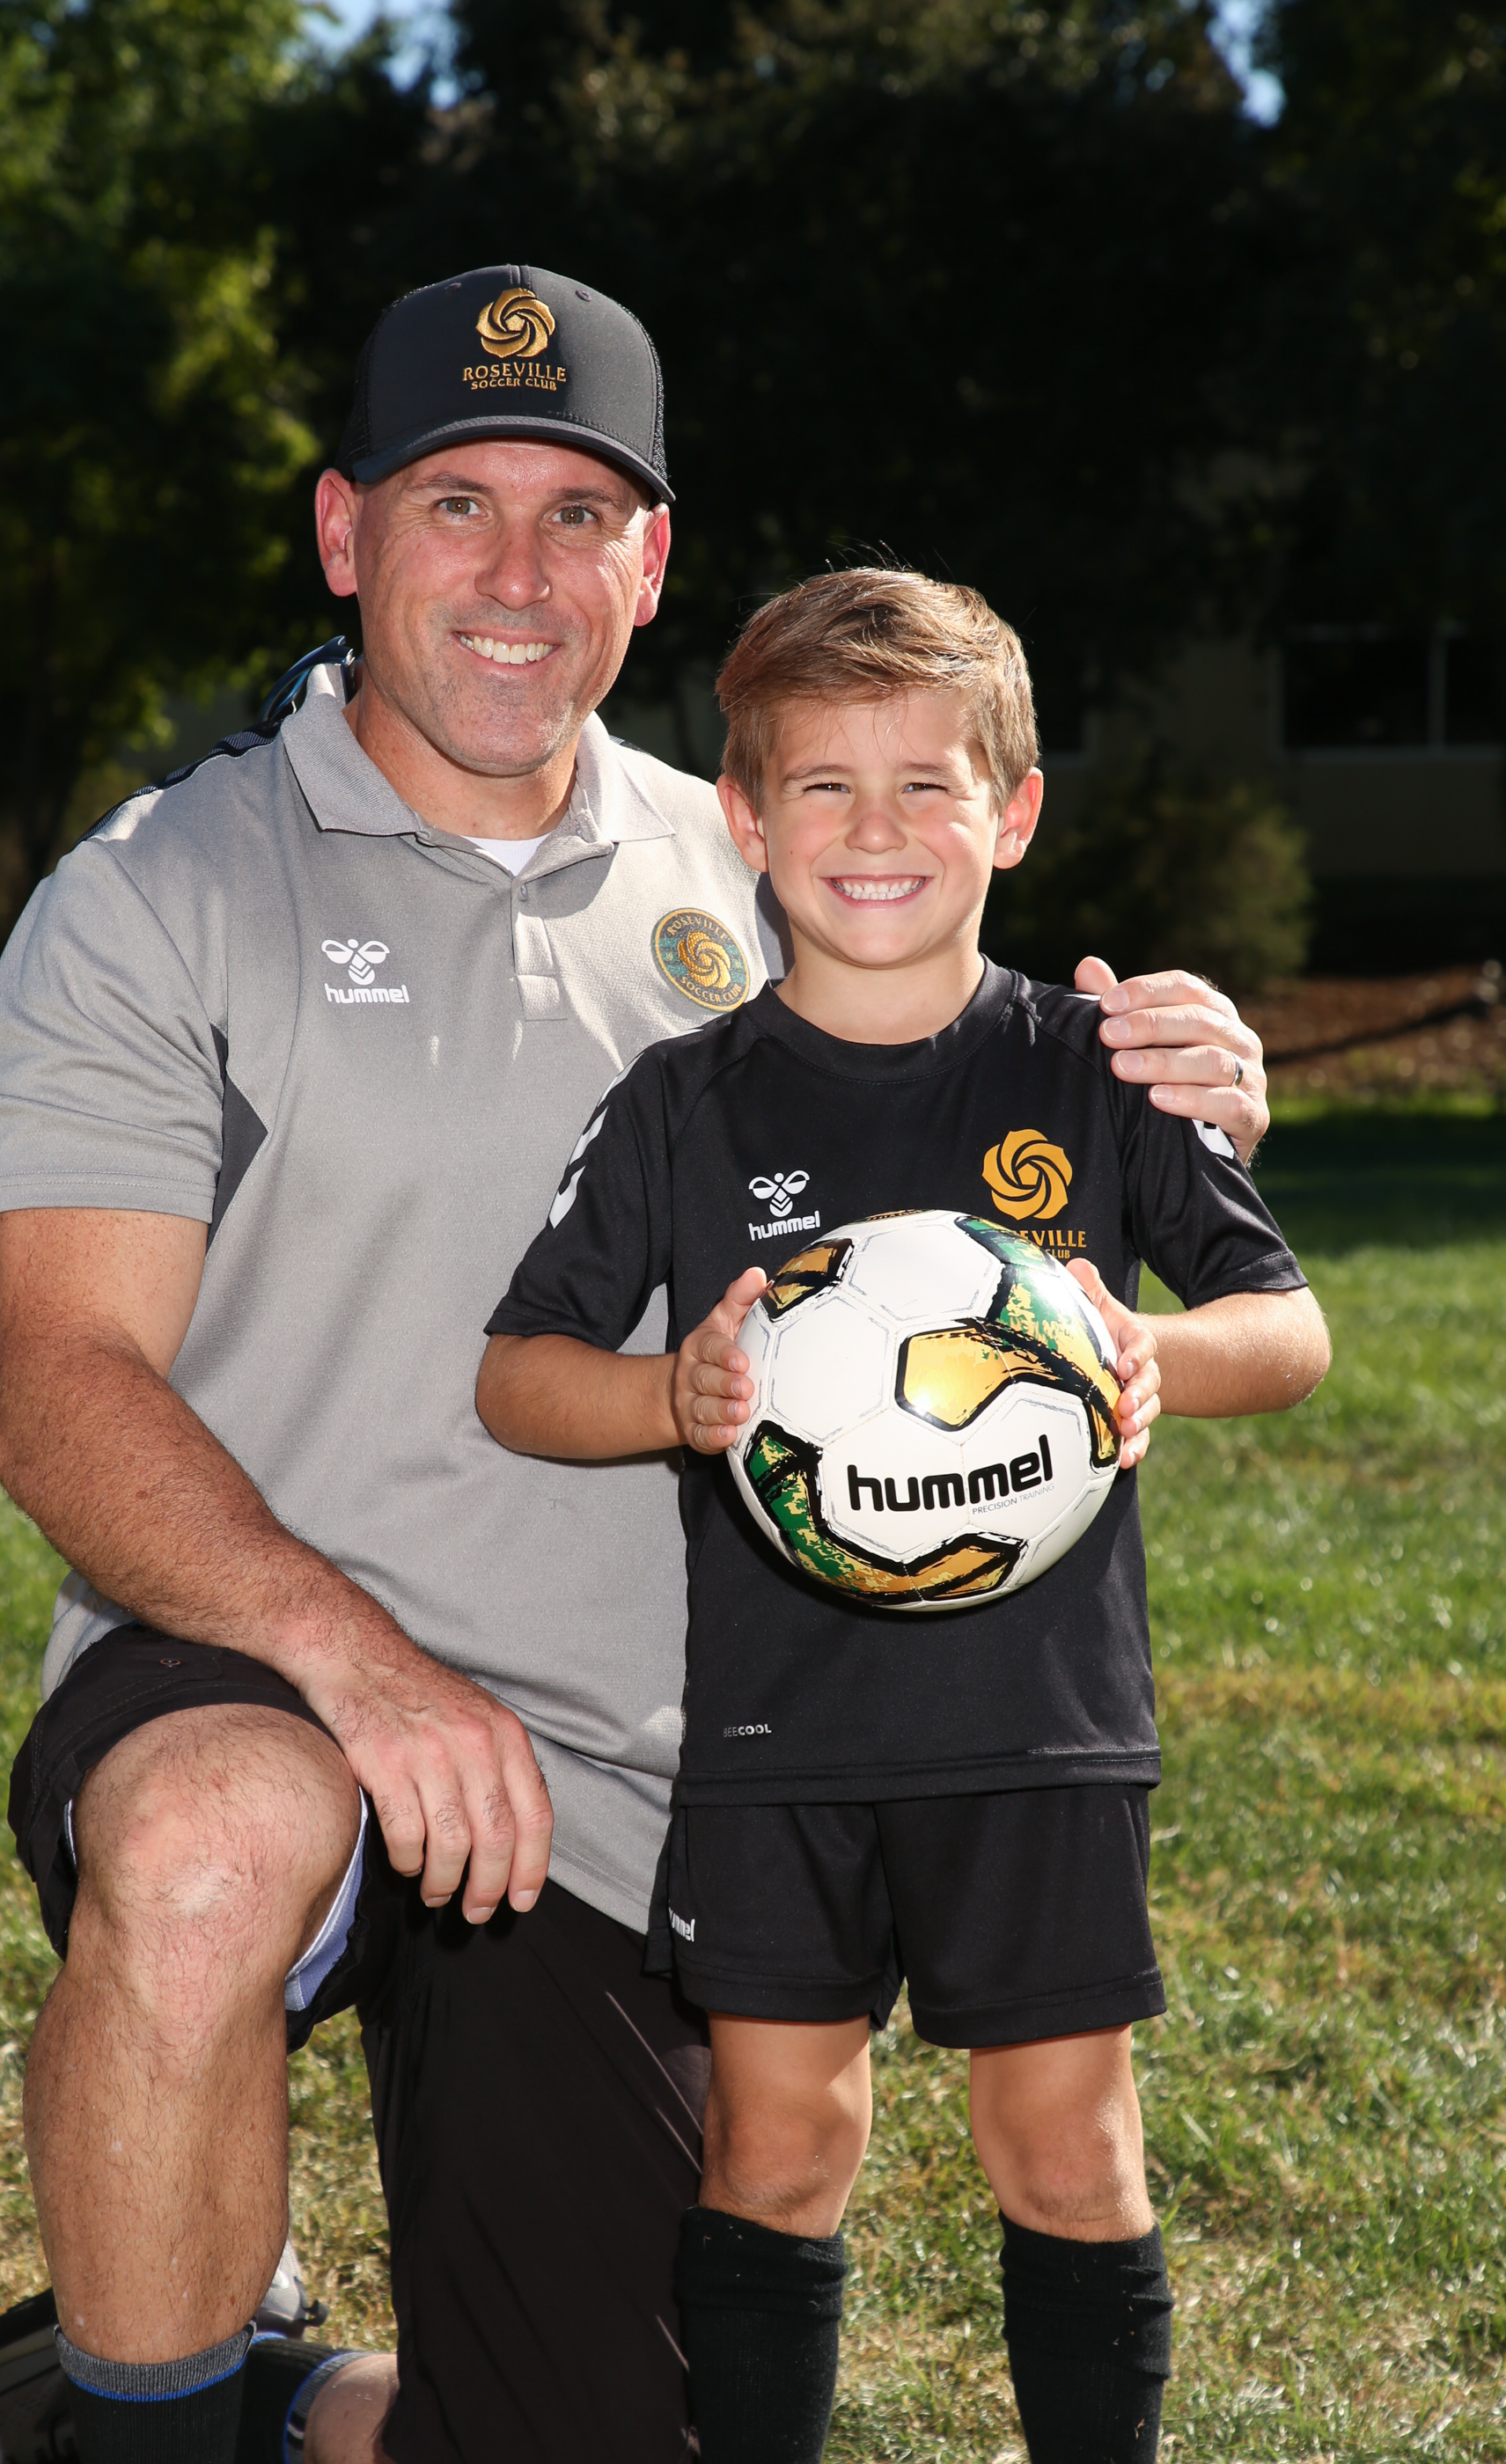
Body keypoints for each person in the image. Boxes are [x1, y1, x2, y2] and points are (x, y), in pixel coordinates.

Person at [0, 268, 1273, 2464]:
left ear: (652, 561)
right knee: (210, 1843)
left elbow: (974, 1123)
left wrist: (1189, 1085)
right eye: (454, 502)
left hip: (625, 1775)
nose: (517, 572)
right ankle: (128, 2429)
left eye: (578, 514)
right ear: (344, 531)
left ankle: (265, 2400)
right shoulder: (161, 893)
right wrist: (363, 1671)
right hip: (257, 1665)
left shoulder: (752, 855)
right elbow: (58, 1378)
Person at [476, 568, 1330, 2464]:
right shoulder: (683, 1104)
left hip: (1041, 1728)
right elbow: (518, 1372)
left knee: (1068, 2147)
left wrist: (1146, 1354)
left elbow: (1288, 1330)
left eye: (928, 785)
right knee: (780, 2148)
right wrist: (669, 1397)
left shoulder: (1095, 1072)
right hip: (779, 1739)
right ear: (743, 815)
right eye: (825, 786)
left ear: (1011, 813)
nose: (876, 832)